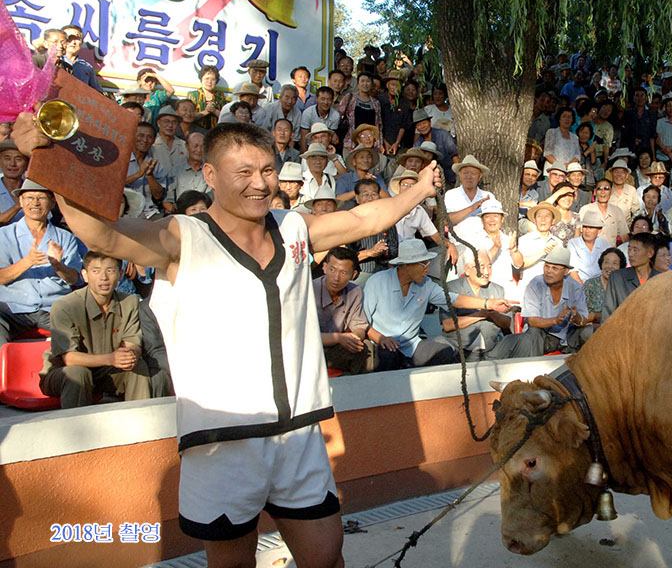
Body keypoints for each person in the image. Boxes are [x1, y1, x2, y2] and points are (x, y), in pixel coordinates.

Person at [12, 115, 447, 568]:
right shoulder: (184, 237)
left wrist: (418, 190)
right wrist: (47, 162)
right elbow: (103, 233)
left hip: (298, 434)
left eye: (266, 170)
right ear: (210, 174)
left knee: (326, 557)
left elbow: (362, 217)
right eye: (243, 172)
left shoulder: (294, 227)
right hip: (221, 443)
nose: (259, 184)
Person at [39, 251, 170, 408]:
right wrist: (111, 359)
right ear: (85, 275)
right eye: (96, 271)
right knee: (78, 373)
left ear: (121, 274)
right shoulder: (65, 306)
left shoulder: (129, 302)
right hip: (64, 372)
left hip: (109, 370)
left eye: (110, 270)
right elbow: (69, 358)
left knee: (138, 366)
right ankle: (79, 428)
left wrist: (129, 356)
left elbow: (132, 342)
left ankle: (141, 423)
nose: (104, 277)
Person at [363, 239, 513, 369]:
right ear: (407, 265)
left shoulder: (426, 284)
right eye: (423, 264)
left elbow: (453, 299)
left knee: (445, 354)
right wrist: (381, 338)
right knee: (388, 356)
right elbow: (362, 322)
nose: (427, 269)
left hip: (411, 346)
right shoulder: (377, 282)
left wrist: (489, 303)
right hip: (381, 343)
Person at [0, 180, 82, 343]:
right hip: (13, 308)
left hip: (54, 308)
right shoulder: (4, 235)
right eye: (29, 197)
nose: (35, 203)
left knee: (83, 333)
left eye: (41, 198)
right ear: (21, 201)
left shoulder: (65, 237)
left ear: (52, 202)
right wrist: (28, 261)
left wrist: (58, 267)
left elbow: (75, 279)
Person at [440, 249, 533, 359]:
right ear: (467, 270)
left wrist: (492, 313)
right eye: (481, 267)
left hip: (491, 350)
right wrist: (481, 315)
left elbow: (506, 324)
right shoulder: (451, 288)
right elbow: (448, 325)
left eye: (489, 267)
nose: (487, 272)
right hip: (460, 351)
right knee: (437, 346)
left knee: (524, 339)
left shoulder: (497, 289)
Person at [512, 247, 593, 354]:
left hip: (567, 336)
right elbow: (532, 321)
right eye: (546, 266)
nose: (549, 271)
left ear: (566, 271)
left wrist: (576, 317)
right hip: (542, 336)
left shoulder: (575, 287)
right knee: (534, 332)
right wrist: (555, 320)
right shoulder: (535, 284)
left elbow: (583, 320)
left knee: (589, 332)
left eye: (555, 268)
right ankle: (532, 367)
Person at [313, 247, 374, 375]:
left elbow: (359, 325)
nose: (336, 278)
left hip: (337, 347)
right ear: (324, 268)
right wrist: (339, 338)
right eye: (332, 270)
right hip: (313, 348)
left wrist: (354, 338)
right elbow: (304, 336)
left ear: (353, 275)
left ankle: (361, 389)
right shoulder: (309, 291)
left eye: (343, 273)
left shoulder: (355, 291)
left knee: (366, 347)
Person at [603, 231, 658, 319]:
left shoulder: (660, 279)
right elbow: (608, 312)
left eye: (635, 250)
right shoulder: (617, 277)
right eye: (629, 249)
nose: (630, 254)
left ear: (650, 253)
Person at [444, 155, 494, 242]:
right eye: (465, 173)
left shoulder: (487, 196)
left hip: (483, 241)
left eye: (473, 173)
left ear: (480, 176)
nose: (469, 177)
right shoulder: (451, 194)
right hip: (459, 242)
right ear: (460, 175)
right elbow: (446, 221)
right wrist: (472, 208)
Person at [579, 179, 630, 246]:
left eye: (606, 188)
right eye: (599, 189)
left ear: (611, 192)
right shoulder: (585, 209)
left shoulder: (617, 211)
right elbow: (579, 234)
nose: (603, 192)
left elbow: (624, 237)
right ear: (595, 192)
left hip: (610, 253)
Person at [567, 210, 611, 284]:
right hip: (579, 285)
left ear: (599, 230)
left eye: (591, 228)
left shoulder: (604, 244)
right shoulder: (573, 243)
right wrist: (583, 289)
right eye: (585, 227)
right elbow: (572, 271)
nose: (587, 230)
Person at [582, 248, 624, 326]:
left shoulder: (623, 287)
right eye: (606, 262)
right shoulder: (590, 284)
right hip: (591, 327)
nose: (610, 266)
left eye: (615, 263)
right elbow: (582, 313)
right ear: (601, 264)